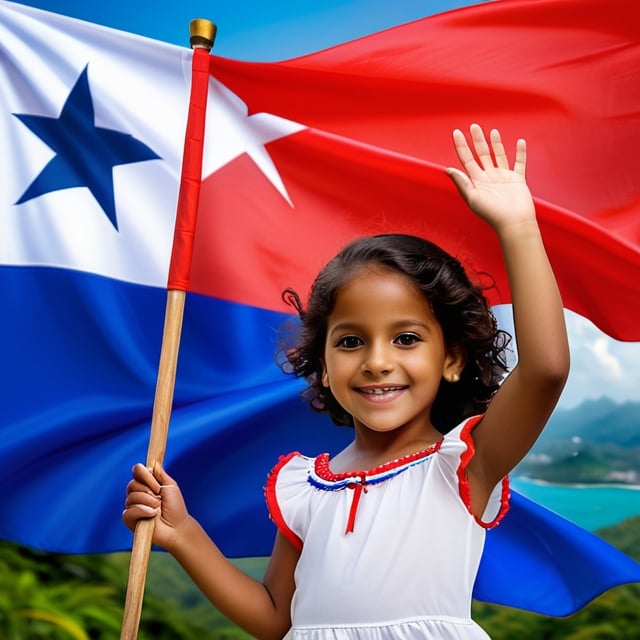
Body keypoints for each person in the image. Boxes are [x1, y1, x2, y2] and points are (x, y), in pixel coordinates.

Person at [123, 124, 570, 639]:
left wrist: (518, 227)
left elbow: (546, 370)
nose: (376, 362)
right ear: (323, 362)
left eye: (405, 339)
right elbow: (275, 620)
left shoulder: (462, 466)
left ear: (452, 359)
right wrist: (184, 535)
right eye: (351, 341)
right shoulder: (305, 486)